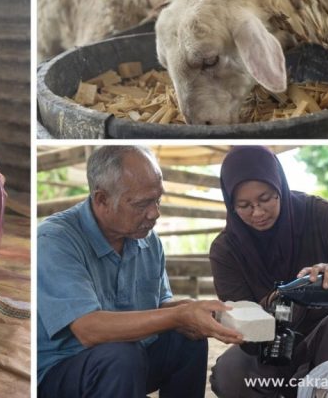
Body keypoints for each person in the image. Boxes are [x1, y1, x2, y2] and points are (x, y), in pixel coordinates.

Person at [37, 145, 244, 398]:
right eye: (142, 203)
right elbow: (88, 329)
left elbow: (160, 307)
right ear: (102, 200)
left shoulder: (147, 239)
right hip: (62, 371)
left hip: (127, 362)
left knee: (187, 338)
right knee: (121, 356)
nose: (154, 213)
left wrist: (192, 310)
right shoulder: (55, 239)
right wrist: (180, 315)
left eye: (157, 199)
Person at [209, 146, 328, 397]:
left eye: (266, 198)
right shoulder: (225, 250)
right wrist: (277, 302)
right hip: (269, 345)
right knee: (229, 372)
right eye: (244, 205)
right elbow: (242, 319)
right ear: (230, 204)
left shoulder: (315, 212)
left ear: (279, 186)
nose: (257, 212)